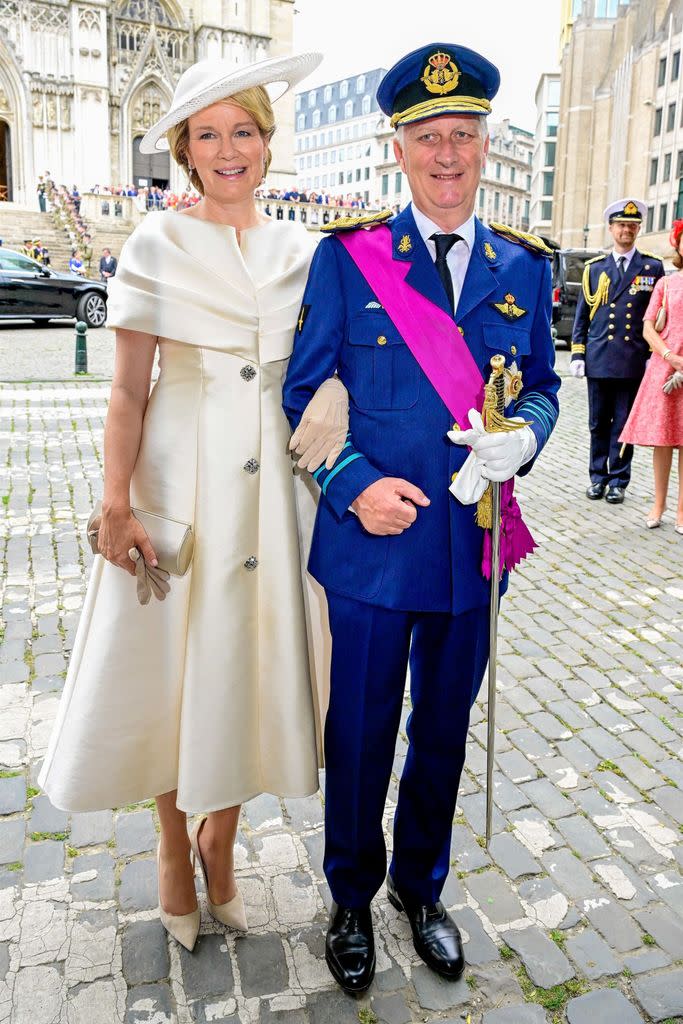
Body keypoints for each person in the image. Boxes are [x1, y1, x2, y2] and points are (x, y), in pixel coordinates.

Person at [38, 51, 348, 955]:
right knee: (178, 676)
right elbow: (128, 391)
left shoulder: (306, 251)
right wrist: (113, 503)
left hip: (276, 499)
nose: (227, 149)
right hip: (183, 491)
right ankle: (176, 845)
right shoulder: (155, 243)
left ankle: (224, 836)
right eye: (207, 135)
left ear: (265, 139)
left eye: (242, 131)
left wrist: (335, 398)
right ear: (184, 148)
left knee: (249, 671)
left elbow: (334, 361)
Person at [283, 42, 560, 993]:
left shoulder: (522, 266)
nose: (447, 154)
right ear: (396, 147)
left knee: (442, 725)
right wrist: (353, 483)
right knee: (359, 731)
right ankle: (352, 896)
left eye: (464, 135)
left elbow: (545, 389)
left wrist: (522, 438)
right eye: (427, 137)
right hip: (371, 543)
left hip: (471, 551)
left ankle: (420, 885)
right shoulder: (347, 256)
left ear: (485, 143)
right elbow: (303, 390)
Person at [570, 199, 664, 504]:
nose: (627, 230)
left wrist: (655, 357)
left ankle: (618, 481)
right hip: (599, 359)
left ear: (638, 230)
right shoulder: (595, 269)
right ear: (611, 228)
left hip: (632, 361)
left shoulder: (652, 267)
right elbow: (583, 316)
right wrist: (577, 354)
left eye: (633, 226)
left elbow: (660, 315)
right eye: (622, 225)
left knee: (624, 423)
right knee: (598, 422)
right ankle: (597, 477)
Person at [620, 219, 683, 533]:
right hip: (666, 368)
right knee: (663, 440)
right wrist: (671, 357)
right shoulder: (667, 284)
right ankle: (659, 504)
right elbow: (647, 327)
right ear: (678, 244)